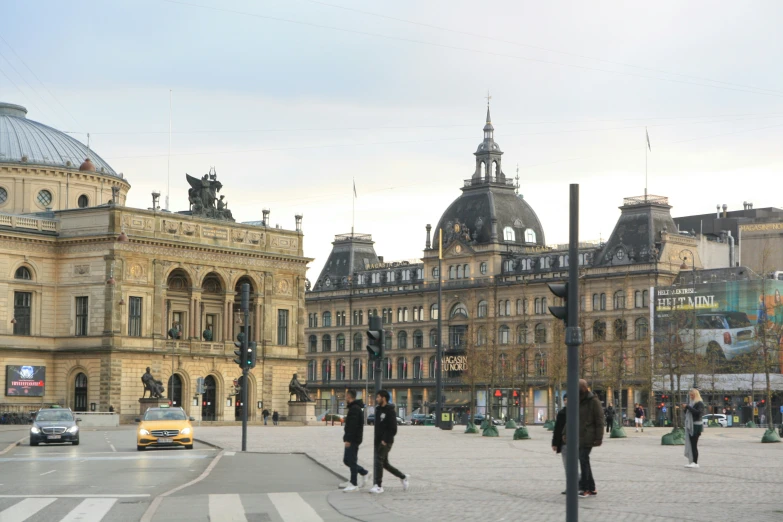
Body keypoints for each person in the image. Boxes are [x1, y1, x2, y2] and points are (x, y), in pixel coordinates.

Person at [369, 390, 409, 495]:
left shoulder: (390, 411)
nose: (376, 399)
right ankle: (403, 477)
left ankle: (378, 486)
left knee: (378, 461)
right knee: (384, 464)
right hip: (378, 441)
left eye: (378, 397)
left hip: (386, 441)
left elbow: (393, 428)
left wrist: (385, 440)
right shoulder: (378, 410)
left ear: (384, 398)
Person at [340, 390, 370, 492]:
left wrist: (348, 439)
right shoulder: (354, 408)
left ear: (349, 397)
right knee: (347, 460)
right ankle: (364, 472)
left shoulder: (355, 409)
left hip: (353, 439)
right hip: (352, 438)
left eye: (346, 396)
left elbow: (353, 426)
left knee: (351, 461)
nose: (345, 398)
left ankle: (354, 483)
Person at [578, 379, 604, 497]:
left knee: (583, 458)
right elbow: (571, 419)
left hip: (588, 435)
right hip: (580, 436)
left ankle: (586, 488)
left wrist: (599, 437)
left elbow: (599, 420)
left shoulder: (594, 401)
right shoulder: (579, 400)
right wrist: (565, 433)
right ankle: (592, 487)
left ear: (584, 388)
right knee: (584, 460)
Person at [683, 388, 705, 468]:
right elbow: (688, 413)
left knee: (694, 444)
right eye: (690, 395)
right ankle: (692, 461)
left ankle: (695, 462)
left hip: (696, 425)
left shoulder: (699, 403)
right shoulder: (692, 403)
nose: (691, 397)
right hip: (691, 424)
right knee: (691, 444)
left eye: (692, 395)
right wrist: (685, 408)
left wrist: (688, 407)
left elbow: (698, 413)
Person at [551, 394, 568, 494]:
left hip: (573, 442)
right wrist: (555, 443)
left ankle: (582, 482)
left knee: (570, 466)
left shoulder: (578, 412)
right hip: (565, 443)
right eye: (564, 399)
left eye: (567, 399)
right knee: (568, 466)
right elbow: (557, 429)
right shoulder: (561, 413)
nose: (566, 401)